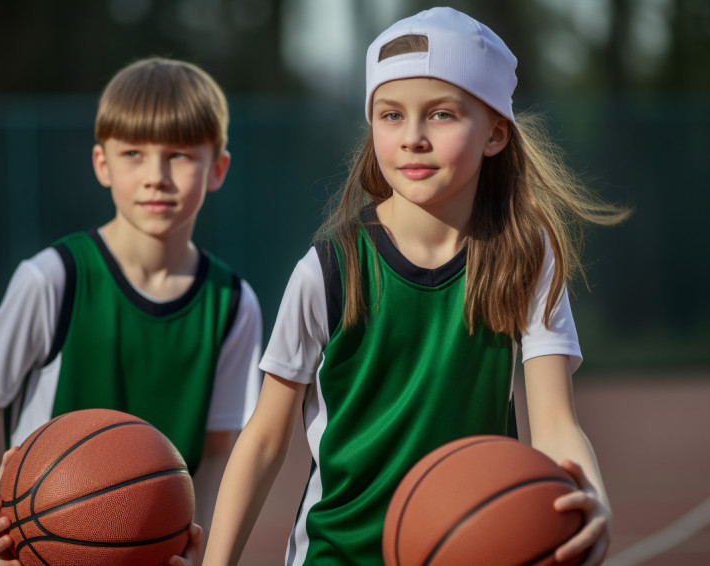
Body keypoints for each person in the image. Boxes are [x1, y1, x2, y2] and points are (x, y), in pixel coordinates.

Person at [202, 7, 627, 566]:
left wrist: (589, 495)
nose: (413, 138)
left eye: (442, 115)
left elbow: (555, 424)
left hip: (473, 551)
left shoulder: (523, 257)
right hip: (338, 556)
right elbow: (263, 440)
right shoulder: (330, 269)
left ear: (496, 132)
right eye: (391, 115)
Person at [0, 56, 263, 566]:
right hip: (35, 554)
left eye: (179, 155)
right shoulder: (53, 279)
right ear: (102, 164)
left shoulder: (233, 304)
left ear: (216, 168)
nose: (156, 176)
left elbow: (220, 450)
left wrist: (179, 530)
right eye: (133, 153)